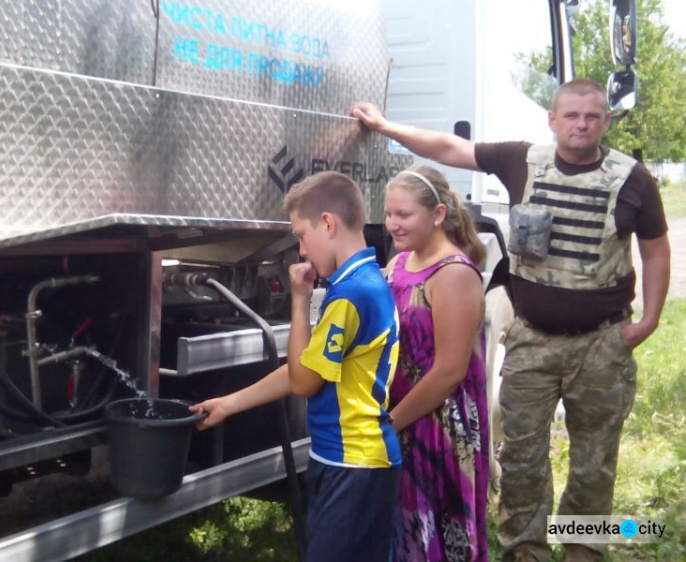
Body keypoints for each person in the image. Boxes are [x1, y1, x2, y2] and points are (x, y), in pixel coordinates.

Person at [351, 77, 671, 562]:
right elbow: (450, 148)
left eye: (592, 116)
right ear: (553, 120)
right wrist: (384, 125)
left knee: (595, 463)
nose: (581, 124)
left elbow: (656, 249)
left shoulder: (632, 179)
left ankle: (583, 549)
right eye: (571, 115)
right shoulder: (522, 159)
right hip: (532, 343)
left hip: (603, 344)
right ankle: (524, 551)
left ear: (606, 121)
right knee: (521, 460)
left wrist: (648, 320)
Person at [191, 171, 402, 562]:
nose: (301, 251)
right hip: (351, 461)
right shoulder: (360, 282)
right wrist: (230, 403)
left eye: (302, 236)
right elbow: (307, 368)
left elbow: (303, 382)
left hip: (352, 463)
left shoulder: (351, 295)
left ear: (327, 223)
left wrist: (300, 300)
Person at [383, 164, 489, 561]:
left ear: (438, 214)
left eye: (404, 214)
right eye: (389, 213)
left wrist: (390, 423)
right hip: (403, 416)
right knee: (404, 532)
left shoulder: (453, 274)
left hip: (441, 427)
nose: (393, 224)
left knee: (438, 536)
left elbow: (448, 371)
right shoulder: (398, 265)